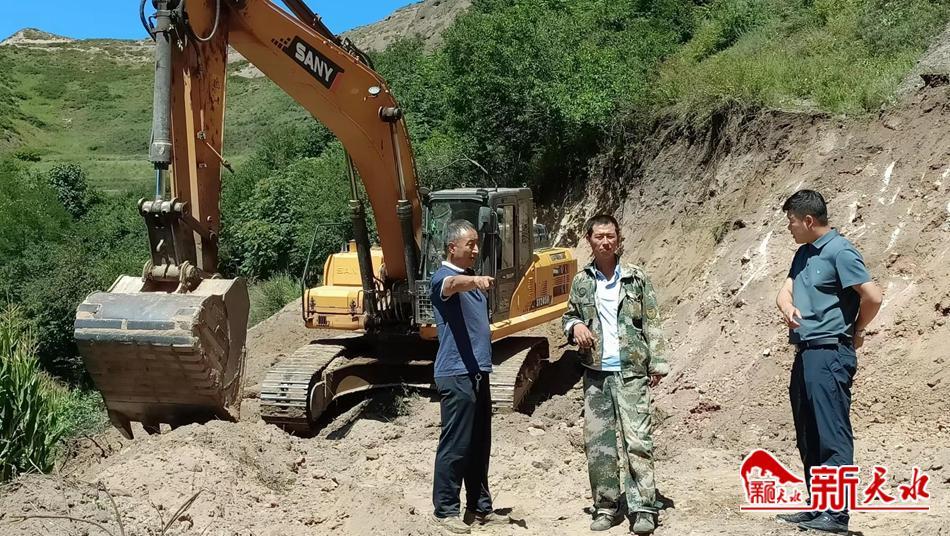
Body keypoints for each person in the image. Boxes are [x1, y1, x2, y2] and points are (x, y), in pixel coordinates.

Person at [774, 190, 882, 534]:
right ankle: (819, 505)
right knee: (808, 432)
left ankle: (836, 514)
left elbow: (873, 296)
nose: (789, 227)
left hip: (831, 352)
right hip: (806, 352)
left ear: (808, 220)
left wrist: (857, 329)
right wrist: (787, 307)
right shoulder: (803, 254)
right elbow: (785, 290)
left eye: (791, 220)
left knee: (832, 433)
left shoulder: (840, 251)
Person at [562, 214, 670, 535]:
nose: (606, 242)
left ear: (618, 239)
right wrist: (575, 326)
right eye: (599, 237)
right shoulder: (582, 281)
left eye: (611, 236)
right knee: (599, 445)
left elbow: (652, 319)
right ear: (589, 240)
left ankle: (643, 508)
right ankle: (606, 507)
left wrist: (657, 362)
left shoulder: (636, 278)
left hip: (631, 372)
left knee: (637, 441)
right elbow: (569, 315)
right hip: (595, 375)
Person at [430, 219, 504, 534]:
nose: (475, 250)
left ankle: (480, 507)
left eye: (476, 244)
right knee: (456, 445)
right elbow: (450, 286)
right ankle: (445, 511)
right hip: (456, 372)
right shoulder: (443, 277)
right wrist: (473, 281)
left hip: (477, 372)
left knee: (478, 444)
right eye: (469, 244)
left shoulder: (471, 279)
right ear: (452, 247)